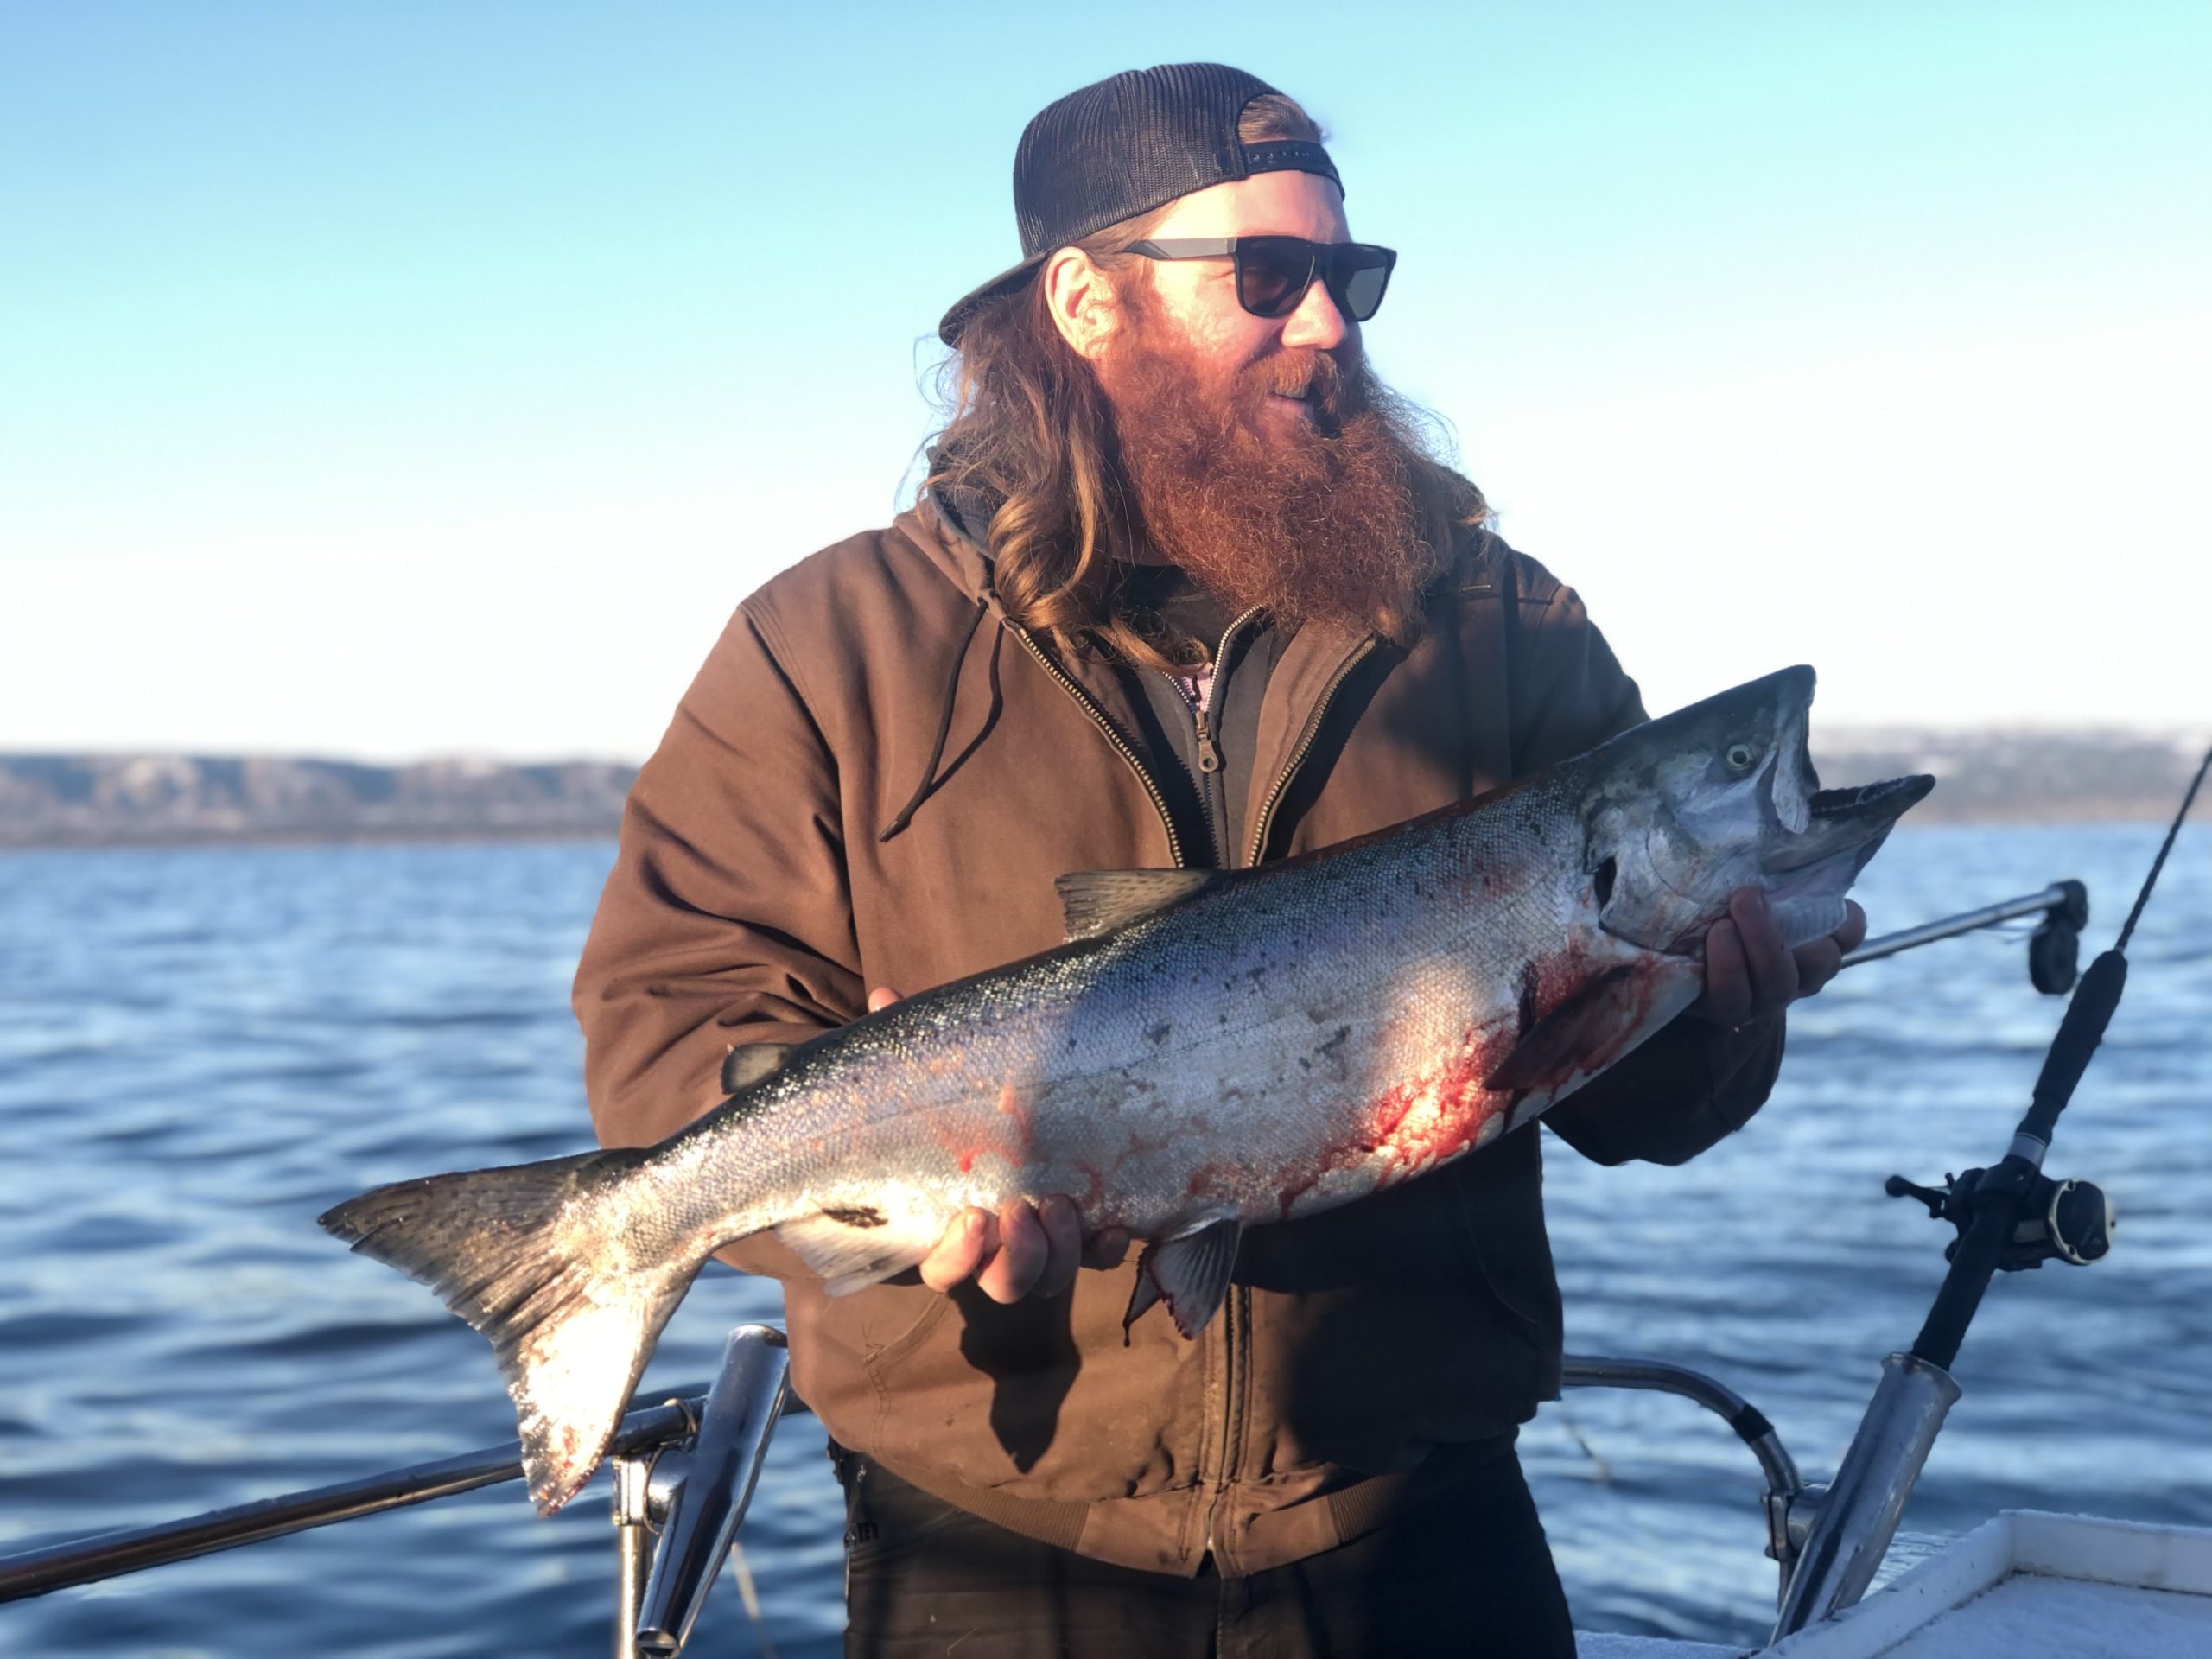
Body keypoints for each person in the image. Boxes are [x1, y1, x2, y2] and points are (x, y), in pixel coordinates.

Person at [575, 62, 1865, 1658]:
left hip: (1417, 1520)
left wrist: (1715, 1011)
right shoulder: (830, 643)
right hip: (996, 1535)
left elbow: (1635, 1111)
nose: (1328, 326)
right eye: (1267, 276)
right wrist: (882, 1178)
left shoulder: (1499, 622)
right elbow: (670, 1023)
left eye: (1349, 276)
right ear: (1084, 297)